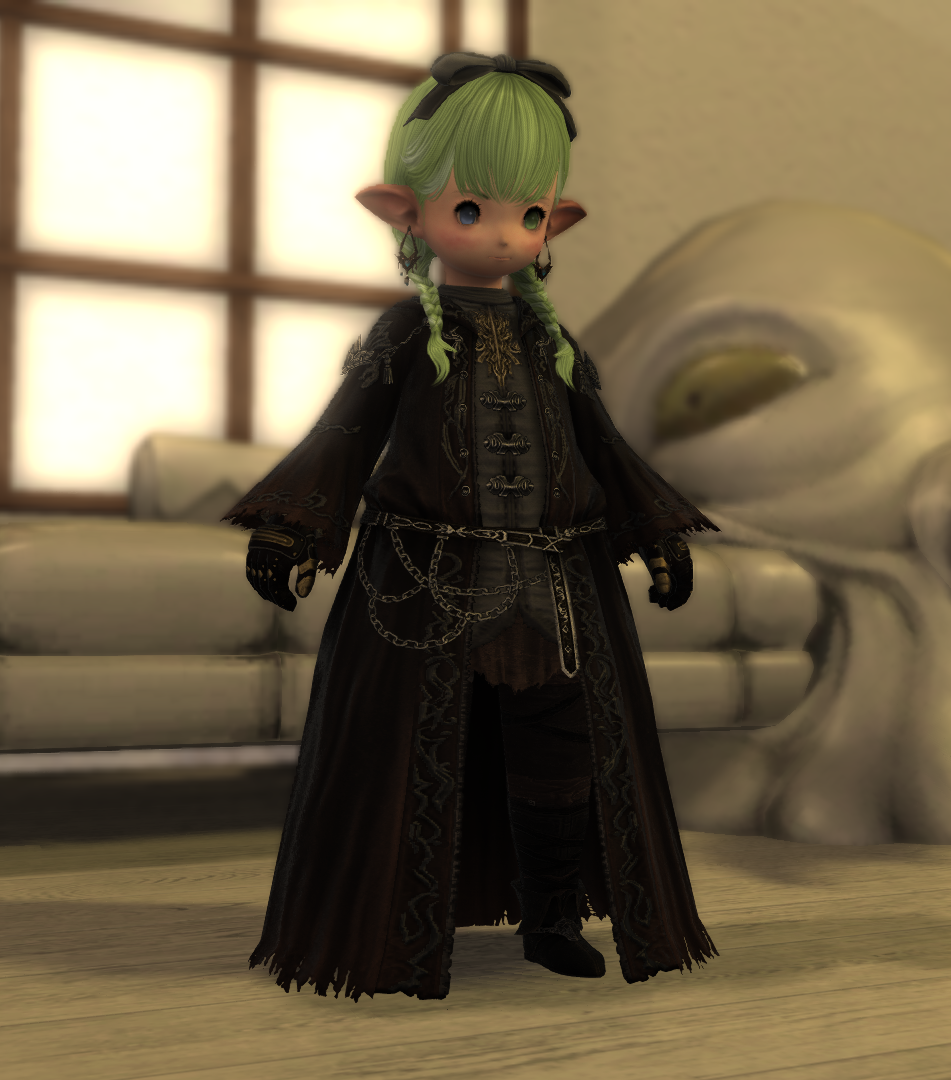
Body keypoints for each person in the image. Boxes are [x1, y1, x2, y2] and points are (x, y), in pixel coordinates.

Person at [225, 51, 716, 1001]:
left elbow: (603, 446)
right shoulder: (404, 335)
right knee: (417, 754)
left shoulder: (552, 343)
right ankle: (400, 932)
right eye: (470, 208)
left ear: (554, 222)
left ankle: (551, 917)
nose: (501, 232)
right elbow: (343, 435)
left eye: (527, 213)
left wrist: (657, 532)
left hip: (557, 591)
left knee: (560, 746)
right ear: (404, 211)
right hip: (423, 585)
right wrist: (289, 529)